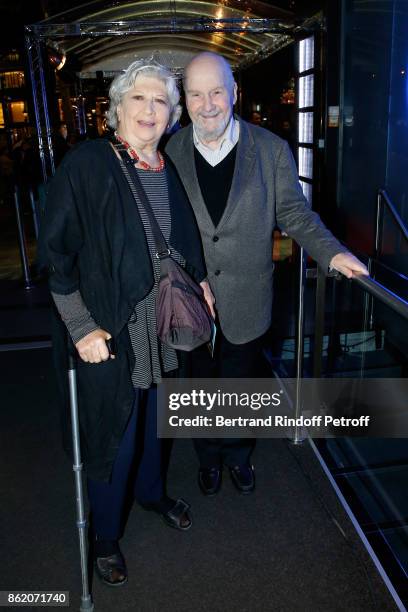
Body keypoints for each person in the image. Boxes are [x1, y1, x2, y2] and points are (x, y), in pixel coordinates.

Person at [42, 59, 214, 587]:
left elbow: (182, 241)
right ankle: (106, 535)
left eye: (160, 101)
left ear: (172, 115)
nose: (148, 110)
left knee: (155, 418)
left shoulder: (165, 167)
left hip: (160, 321)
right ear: (116, 108)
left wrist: (201, 284)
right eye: (137, 98)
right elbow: (56, 252)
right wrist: (81, 327)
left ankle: (152, 492)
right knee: (115, 431)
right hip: (108, 326)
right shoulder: (89, 163)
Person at [166, 51, 368, 497]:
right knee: (200, 384)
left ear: (234, 93)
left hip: (248, 295)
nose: (208, 104)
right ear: (185, 99)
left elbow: (295, 214)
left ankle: (237, 455)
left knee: (241, 384)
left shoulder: (271, 150)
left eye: (216, 91)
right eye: (196, 94)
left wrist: (332, 254)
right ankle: (208, 457)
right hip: (189, 296)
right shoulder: (170, 149)